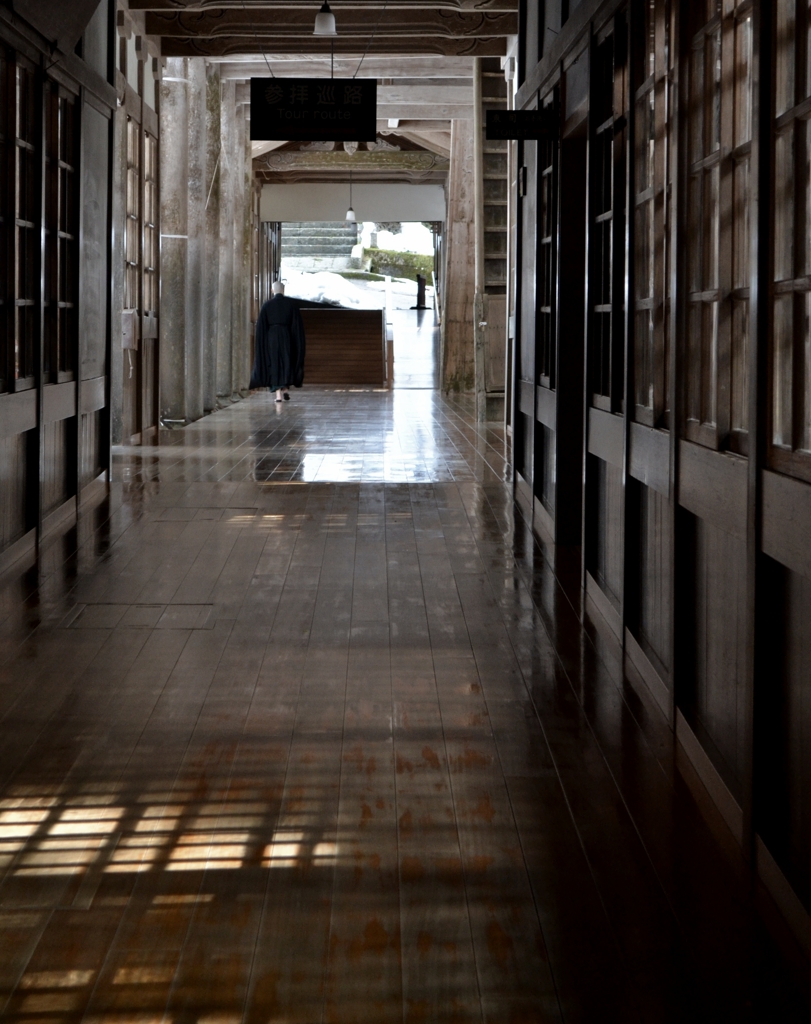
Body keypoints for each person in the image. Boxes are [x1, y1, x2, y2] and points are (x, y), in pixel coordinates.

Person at [250, 281, 306, 402]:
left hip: (272, 337)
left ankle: (278, 395)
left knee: (274, 363)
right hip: (287, 336)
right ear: (283, 290)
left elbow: (261, 327)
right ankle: (285, 389)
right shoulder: (291, 305)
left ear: (272, 291)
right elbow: (297, 326)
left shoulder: (267, 305)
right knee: (286, 361)